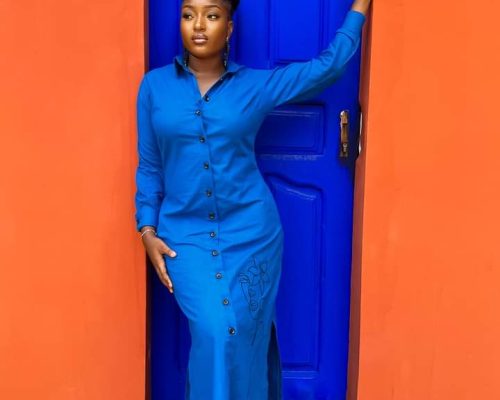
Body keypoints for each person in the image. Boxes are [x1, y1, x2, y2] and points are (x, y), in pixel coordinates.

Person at [134, 0, 371, 398]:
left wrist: (360, 6)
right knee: (214, 332)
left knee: (241, 338)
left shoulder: (254, 86)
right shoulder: (154, 87)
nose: (198, 25)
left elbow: (327, 68)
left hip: (252, 236)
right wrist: (146, 229)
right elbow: (150, 166)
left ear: (229, 28)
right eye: (188, 15)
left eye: (212, 16)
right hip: (185, 238)